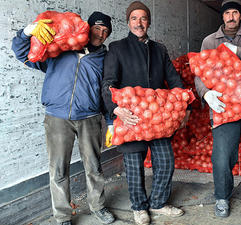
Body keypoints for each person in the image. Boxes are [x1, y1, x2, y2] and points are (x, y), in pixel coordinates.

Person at [12, 12, 115, 225]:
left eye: (105, 31)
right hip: (57, 118)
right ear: (87, 27)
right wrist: (27, 32)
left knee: (94, 167)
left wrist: (111, 124)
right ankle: (62, 216)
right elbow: (23, 53)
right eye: (97, 28)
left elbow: (108, 94)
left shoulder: (106, 59)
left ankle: (98, 206)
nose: (100, 34)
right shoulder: (59, 50)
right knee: (58, 169)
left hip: (90, 118)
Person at [101, 2, 191, 225]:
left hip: (157, 117)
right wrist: (115, 109)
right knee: (134, 166)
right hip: (131, 118)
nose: (139, 23)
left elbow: (174, 80)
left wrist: (185, 106)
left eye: (143, 18)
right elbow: (108, 84)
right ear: (128, 22)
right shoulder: (117, 48)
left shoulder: (159, 49)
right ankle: (139, 207)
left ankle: (158, 203)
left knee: (166, 161)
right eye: (134, 18)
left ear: (148, 22)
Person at [194, 0, 241, 218]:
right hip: (223, 109)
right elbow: (199, 72)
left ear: (240, 16)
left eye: (235, 12)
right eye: (227, 13)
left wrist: (237, 50)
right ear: (222, 16)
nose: (230, 17)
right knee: (222, 156)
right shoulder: (209, 41)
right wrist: (205, 93)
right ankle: (222, 196)